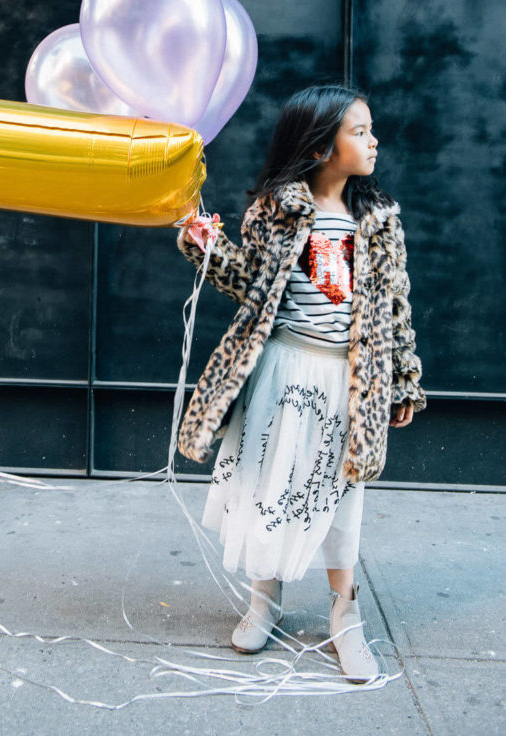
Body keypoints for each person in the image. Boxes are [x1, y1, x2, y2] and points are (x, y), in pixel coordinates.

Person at [177, 84, 425, 682]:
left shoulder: (378, 220)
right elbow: (251, 284)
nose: (373, 140)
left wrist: (403, 379)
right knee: (272, 482)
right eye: (359, 131)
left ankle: (346, 614)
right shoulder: (274, 208)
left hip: (351, 380)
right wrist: (206, 246)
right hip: (282, 370)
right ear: (319, 147)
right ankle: (265, 598)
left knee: (341, 498)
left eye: (370, 130)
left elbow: (395, 307)